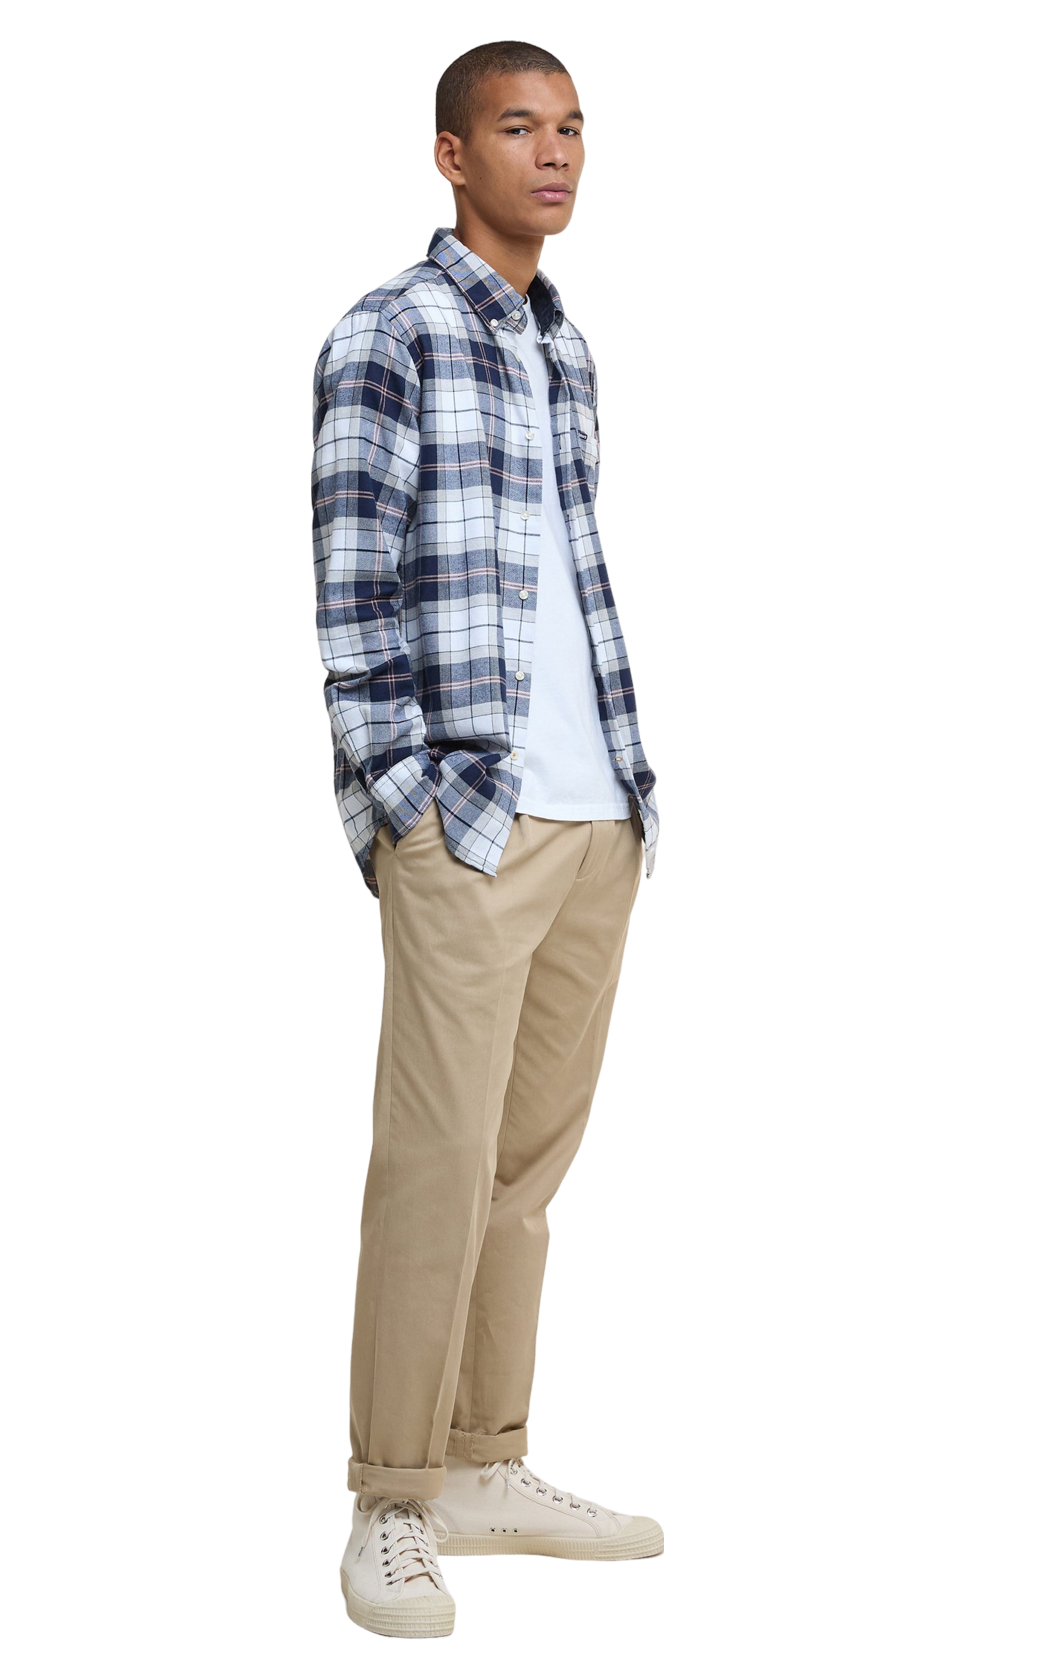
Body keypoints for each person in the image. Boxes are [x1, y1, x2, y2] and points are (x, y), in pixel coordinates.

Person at [310, 39, 664, 1641]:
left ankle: (483, 1462)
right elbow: (349, 590)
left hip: (597, 815)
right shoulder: (387, 333)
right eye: (520, 128)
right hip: (466, 817)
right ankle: (389, 1500)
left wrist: (630, 797)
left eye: (573, 127)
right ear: (453, 155)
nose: (556, 153)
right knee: (437, 1162)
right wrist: (404, 794)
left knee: (525, 1175)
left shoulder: (566, 347)